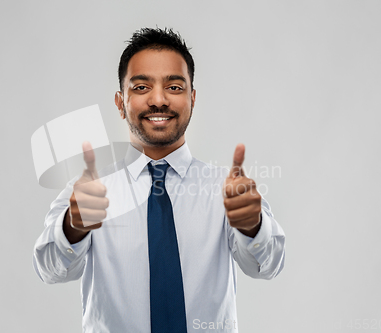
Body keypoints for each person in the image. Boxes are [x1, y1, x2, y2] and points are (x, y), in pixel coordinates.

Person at [33, 27, 286, 333]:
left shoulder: (228, 190)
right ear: (119, 102)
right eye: (141, 87)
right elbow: (49, 270)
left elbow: (268, 266)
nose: (158, 100)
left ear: (192, 98)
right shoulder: (89, 192)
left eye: (175, 88)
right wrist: (72, 227)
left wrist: (253, 226)